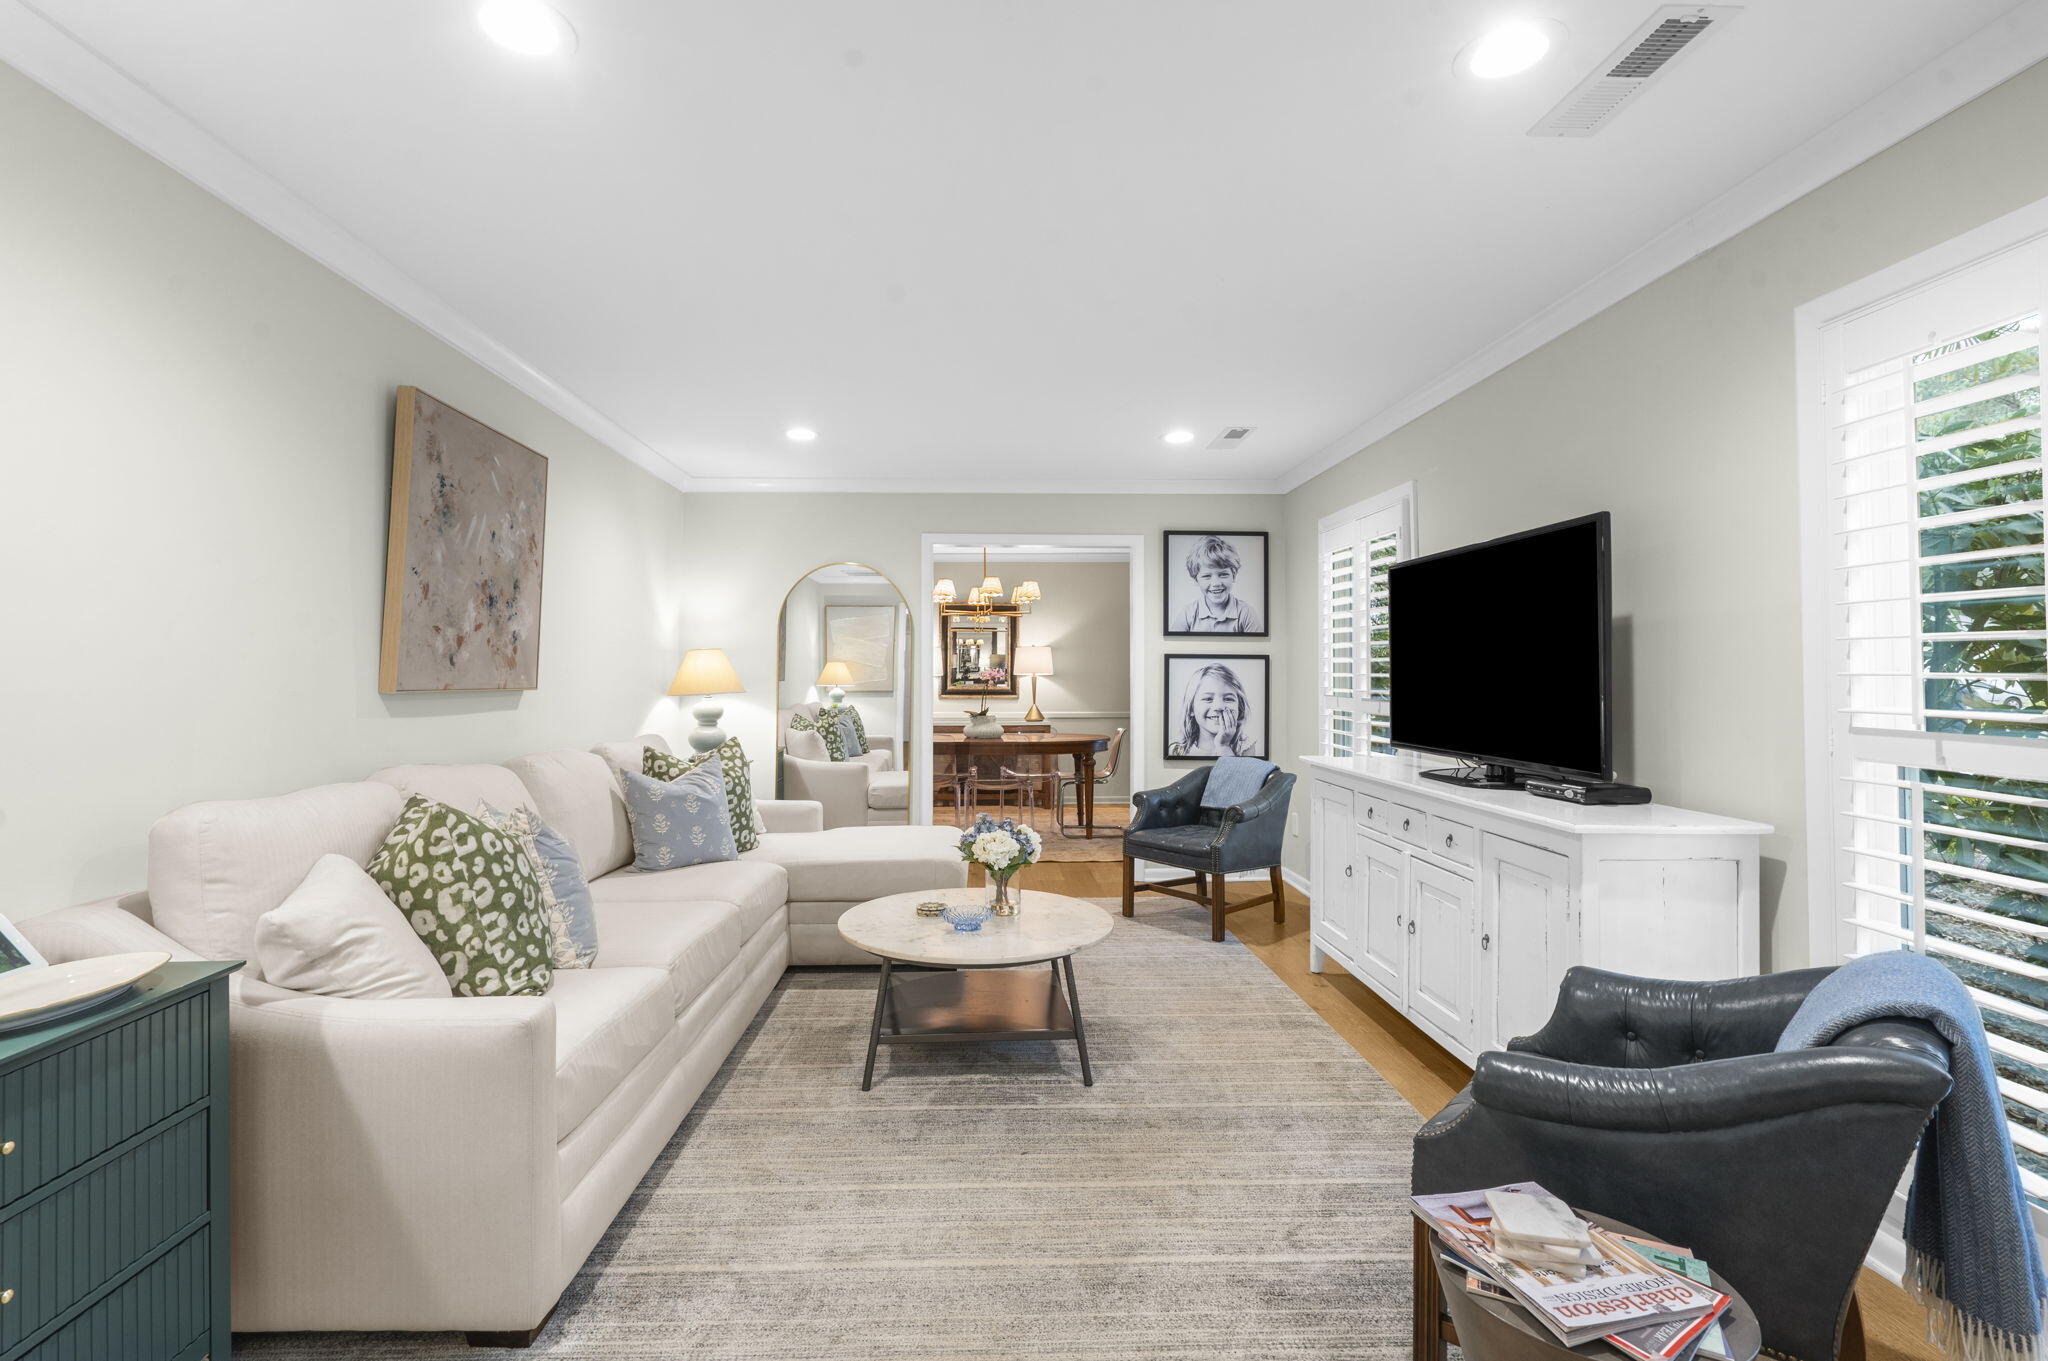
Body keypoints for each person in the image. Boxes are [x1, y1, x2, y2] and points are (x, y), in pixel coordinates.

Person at [1171, 535, 1263, 633]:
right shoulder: (1187, 614)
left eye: (1223, 574)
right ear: (1195, 580)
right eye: (1207, 576)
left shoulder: (1246, 613)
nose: (1216, 583)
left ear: (1234, 575)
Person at [1168, 662, 1258, 757]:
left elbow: (1235, 772)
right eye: (1208, 699)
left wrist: (1223, 747)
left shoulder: (1245, 747)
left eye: (1228, 699)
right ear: (1191, 708)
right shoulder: (1176, 748)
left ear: (1240, 708)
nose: (1218, 706)